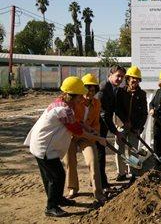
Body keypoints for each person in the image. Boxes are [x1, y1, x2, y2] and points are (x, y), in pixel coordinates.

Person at [24, 76, 107, 217]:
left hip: (43, 144)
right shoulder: (63, 110)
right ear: (72, 95)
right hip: (44, 147)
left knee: (50, 176)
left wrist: (89, 127)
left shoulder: (64, 103)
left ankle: (58, 199)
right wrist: (99, 138)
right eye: (80, 95)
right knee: (57, 176)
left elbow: (77, 122)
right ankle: (51, 207)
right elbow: (78, 132)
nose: (82, 98)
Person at [64, 73, 106, 205]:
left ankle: (97, 192)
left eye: (93, 90)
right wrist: (92, 133)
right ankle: (72, 188)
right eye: (88, 89)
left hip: (86, 136)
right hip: (71, 135)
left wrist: (96, 133)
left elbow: (96, 122)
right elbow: (76, 123)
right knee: (70, 162)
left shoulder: (97, 103)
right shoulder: (76, 101)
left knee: (93, 160)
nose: (90, 92)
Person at [97, 65, 127, 184]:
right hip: (97, 126)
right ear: (110, 75)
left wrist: (126, 121)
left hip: (104, 125)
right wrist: (115, 132)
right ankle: (101, 183)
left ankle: (98, 181)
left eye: (122, 77)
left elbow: (116, 109)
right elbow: (104, 114)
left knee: (100, 154)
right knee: (99, 155)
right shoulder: (103, 89)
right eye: (118, 76)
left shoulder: (114, 88)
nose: (120, 79)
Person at [117, 65, 148, 178]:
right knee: (118, 149)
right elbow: (117, 109)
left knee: (133, 150)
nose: (134, 80)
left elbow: (144, 113)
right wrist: (124, 121)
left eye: (136, 78)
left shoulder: (142, 94)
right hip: (121, 125)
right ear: (128, 79)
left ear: (139, 80)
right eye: (132, 78)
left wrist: (139, 127)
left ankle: (133, 173)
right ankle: (121, 173)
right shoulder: (121, 92)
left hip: (135, 128)